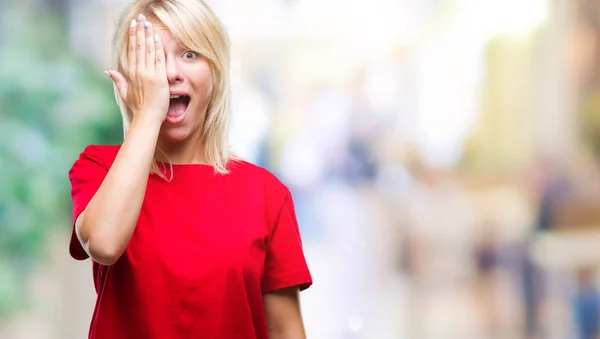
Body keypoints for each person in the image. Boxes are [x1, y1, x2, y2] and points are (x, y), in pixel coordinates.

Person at [67, 1, 312, 338]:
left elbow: (286, 331)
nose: (169, 74)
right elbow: (104, 244)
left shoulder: (266, 194)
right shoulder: (99, 167)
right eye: (152, 57)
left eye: (189, 54)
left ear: (216, 72)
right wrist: (149, 112)